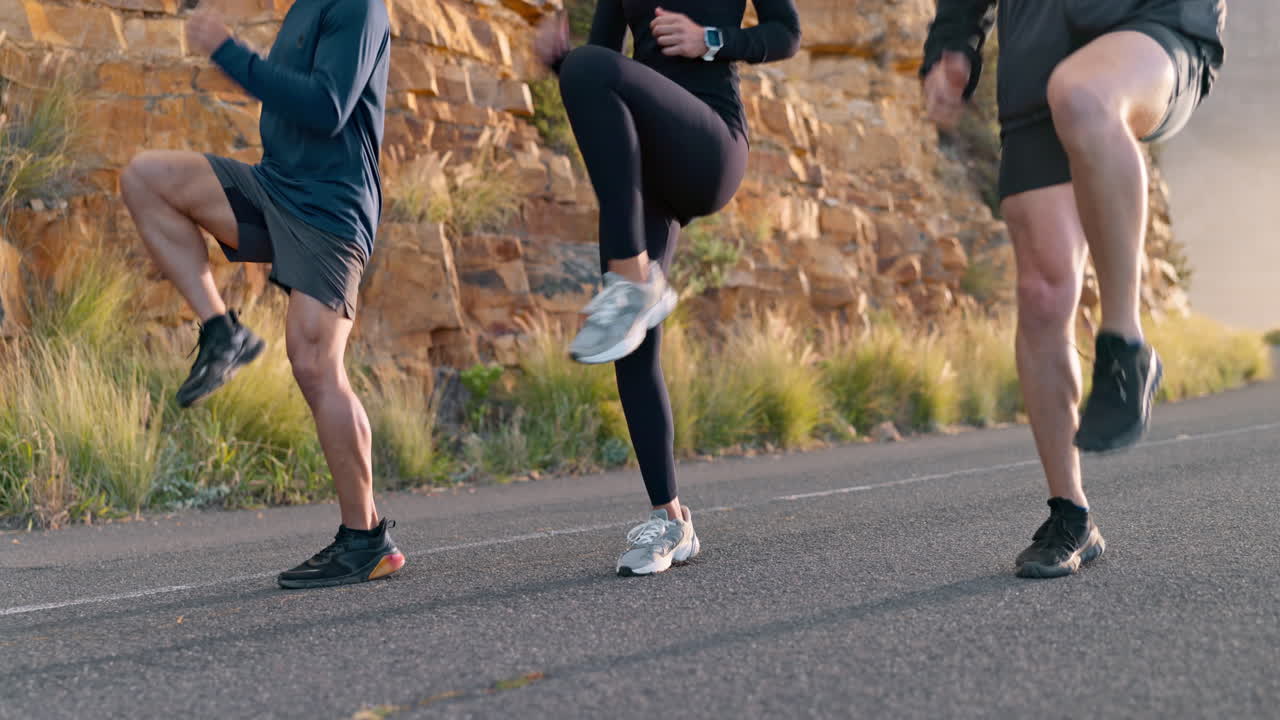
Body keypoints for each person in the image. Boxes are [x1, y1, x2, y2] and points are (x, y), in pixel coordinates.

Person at [921, 0, 1225, 578]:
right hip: (1034, 65)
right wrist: (953, 45)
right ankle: (1071, 516)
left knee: (1085, 94)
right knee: (1042, 292)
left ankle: (1125, 343)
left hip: (1153, 26)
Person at [120, 0, 404, 589]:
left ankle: (365, 540)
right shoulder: (307, 7)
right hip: (277, 185)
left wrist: (228, 51)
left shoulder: (359, 7)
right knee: (146, 176)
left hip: (333, 208)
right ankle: (223, 331)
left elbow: (327, 108)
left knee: (315, 363)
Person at [533, 0, 801, 575]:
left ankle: (633, 284)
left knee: (587, 69)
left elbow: (787, 34)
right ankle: (671, 520)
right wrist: (560, 60)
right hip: (649, 164)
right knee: (631, 344)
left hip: (710, 144)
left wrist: (710, 38)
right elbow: (601, 57)